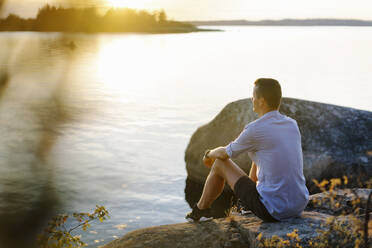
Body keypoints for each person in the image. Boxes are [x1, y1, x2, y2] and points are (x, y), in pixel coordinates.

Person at [186, 78, 309, 222]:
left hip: (274, 210)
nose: (252, 99)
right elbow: (261, 158)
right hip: (298, 205)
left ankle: (200, 210)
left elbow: (224, 154)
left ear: (261, 101)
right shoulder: (291, 124)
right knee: (259, 153)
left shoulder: (255, 129)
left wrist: (208, 154)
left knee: (219, 163)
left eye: (254, 96)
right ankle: (246, 206)